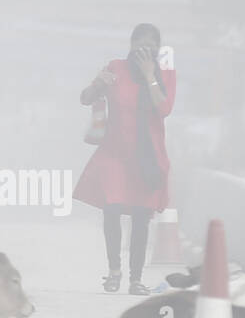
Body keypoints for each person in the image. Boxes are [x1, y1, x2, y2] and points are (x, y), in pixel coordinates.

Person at [73, 23, 177, 294]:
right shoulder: (116, 68)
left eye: (151, 46)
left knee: (142, 217)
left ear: (158, 49)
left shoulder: (165, 74)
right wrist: (99, 84)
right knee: (113, 209)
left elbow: (163, 108)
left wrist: (149, 75)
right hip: (115, 154)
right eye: (140, 44)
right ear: (131, 46)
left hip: (147, 158)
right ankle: (114, 272)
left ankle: (135, 279)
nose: (145, 50)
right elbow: (85, 98)